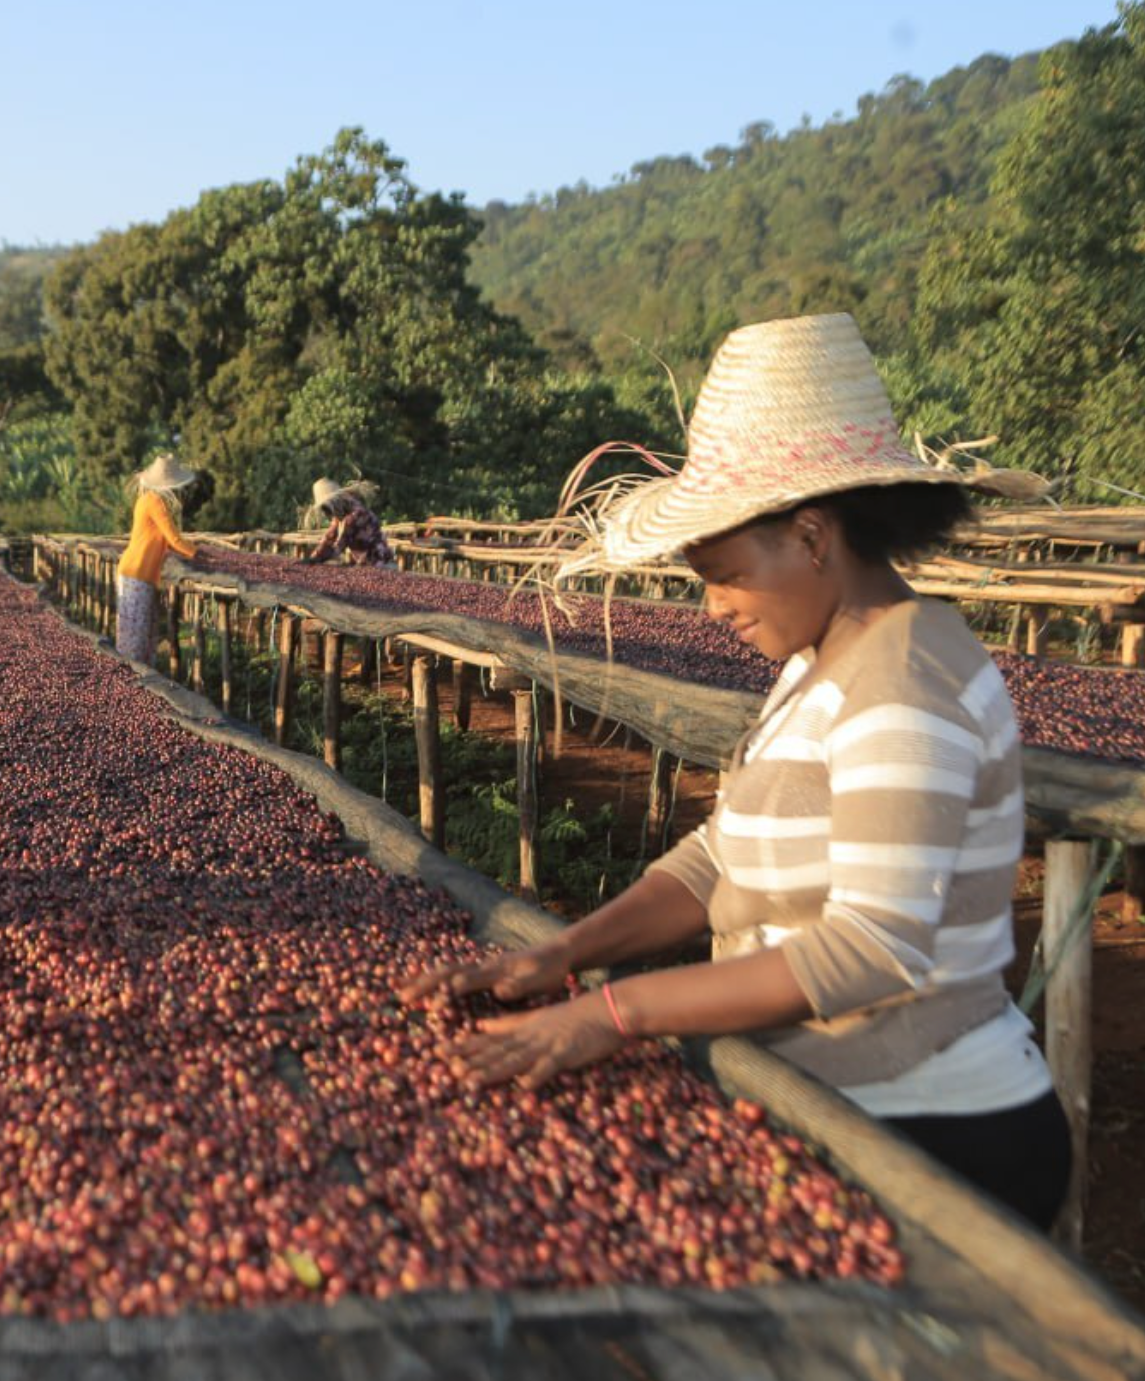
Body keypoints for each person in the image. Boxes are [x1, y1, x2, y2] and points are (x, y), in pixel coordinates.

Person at [402, 313, 1069, 1231]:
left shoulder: (903, 683)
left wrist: (615, 1013)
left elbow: (872, 950)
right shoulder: (822, 660)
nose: (713, 605)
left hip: (934, 1137)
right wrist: (565, 953)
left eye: (723, 573)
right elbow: (721, 859)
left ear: (811, 536)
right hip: (831, 1108)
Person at [115, 454, 201, 664]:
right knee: (136, 636)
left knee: (143, 631)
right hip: (137, 573)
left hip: (137, 572)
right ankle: (133, 677)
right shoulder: (154, 502)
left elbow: (166, 540)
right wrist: (199, 554)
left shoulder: (148, 500)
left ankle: (141, 676)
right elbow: (174, 539)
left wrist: (190, 550)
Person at [306, 479, 396, 567]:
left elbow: (339, 546)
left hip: (380, 562)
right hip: (366, 563)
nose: (326, 512)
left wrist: (315, 559)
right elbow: (329, 537)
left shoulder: (356, 515)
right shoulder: (341, 516)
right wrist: (313, 557)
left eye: (326, 507)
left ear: (334, 502)